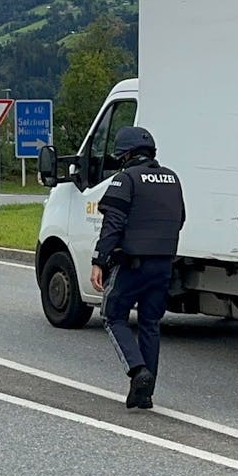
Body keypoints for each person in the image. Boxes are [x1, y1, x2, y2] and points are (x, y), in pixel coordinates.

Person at [92, 126, 185, 410]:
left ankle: (137, 370)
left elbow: (113, 225)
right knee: (150, 325)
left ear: (126, 154)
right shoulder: (172, 178)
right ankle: (145, 394)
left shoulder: (126, 179)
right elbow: (179, 219)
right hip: (164, 265)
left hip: (132, 264)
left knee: (112, 315)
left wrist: (99, 260)